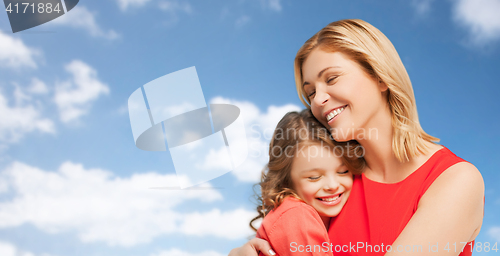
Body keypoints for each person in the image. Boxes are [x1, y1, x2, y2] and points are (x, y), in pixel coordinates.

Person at [229, 19, 484, 256]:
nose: (318, 100)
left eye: (331, 78)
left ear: (380, 76)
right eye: (310, 93)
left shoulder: (455, 180)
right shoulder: (338, 184)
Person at [250, 109, 363, 256]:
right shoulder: (296, 216)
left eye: (343, 172)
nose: (333, 185)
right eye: (314, 177)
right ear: (286, 180)